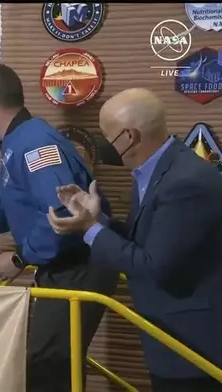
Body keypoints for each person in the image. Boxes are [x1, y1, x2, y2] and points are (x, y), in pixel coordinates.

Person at [0, 64, 120, 392]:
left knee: (47, 367)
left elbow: (66, 211)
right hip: (64, 268)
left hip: (76, 268)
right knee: (54, 364)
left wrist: (20, 257)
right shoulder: (16, 141)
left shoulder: (33, 144)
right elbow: (13, 205)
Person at [48, 88, 222, 392]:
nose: (101, 144)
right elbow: (150, 240)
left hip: (193, 349)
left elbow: (152, 265)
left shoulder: (185, 182)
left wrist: (90, 230)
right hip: (171, 342)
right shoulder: (156, 171)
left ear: (129, 137)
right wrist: (96, 219)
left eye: (105, 134)